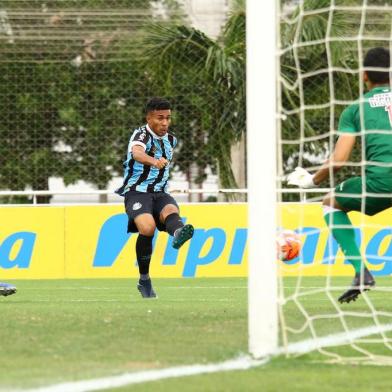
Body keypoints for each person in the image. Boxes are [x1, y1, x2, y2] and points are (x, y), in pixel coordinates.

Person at [288, 47, 392, 304]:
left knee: (329, 203)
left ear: (364, 75)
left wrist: (312, 180)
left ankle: (361, 271)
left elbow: (339, 160)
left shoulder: (356, 109)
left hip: (381, 182)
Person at [116, 97, 194, 298]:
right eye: (160, 118)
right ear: (149, 118)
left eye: (168, 118)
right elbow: (136, 154)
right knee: (148, 228)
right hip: (136, 192)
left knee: (171, 211)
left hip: (159, 193)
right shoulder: (141, 135)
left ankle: (178, 234)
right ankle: (144, 280)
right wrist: (154, 161)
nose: (165, 123)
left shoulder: (171, 140)